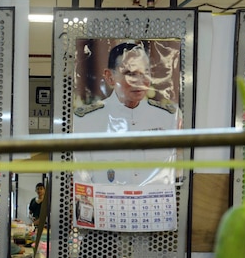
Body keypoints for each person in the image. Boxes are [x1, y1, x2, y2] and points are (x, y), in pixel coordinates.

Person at [73, 41, 182, 186]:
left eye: (145, 73)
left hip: (153, 205)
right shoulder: (87, 120)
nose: (139, 82)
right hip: (106, 206)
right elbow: (81, 180)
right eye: (130, 74)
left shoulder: (168, 118)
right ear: (110, 76)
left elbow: (177, 175)